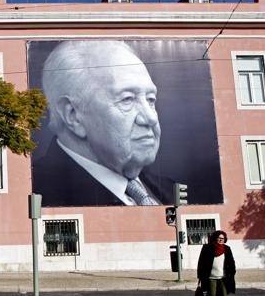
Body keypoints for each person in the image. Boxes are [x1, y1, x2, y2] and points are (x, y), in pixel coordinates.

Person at [33, 41, 173, 207]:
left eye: (151, 99)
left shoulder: (172, 190)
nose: (151, 118)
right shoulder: (39, 193)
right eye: (127, 99)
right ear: (73, 115)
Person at [197, 230, 236, 295]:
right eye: (219, 238)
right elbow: (201, 263)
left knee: (224, 294)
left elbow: (231, 262)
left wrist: (232, 272)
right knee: (212, 294)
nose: (221, 240)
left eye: (223, 238)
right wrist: (200, 276)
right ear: (215, 238)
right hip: (211, 278)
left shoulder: (227, 249)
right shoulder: (207, 248)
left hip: (223, 278)